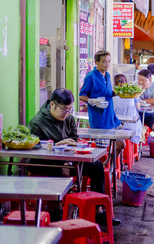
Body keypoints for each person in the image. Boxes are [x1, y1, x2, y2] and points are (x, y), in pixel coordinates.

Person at [27, 88, 120, 225]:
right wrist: (57, 145)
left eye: (69, 109)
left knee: (97, 166)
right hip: (42, 163)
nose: (66, 113)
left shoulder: (69, 119)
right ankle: (57, 209)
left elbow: (74, 139)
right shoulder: (38, 122)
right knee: (56, 167)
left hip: (67, 160)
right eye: (64, 109)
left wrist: (71, 148)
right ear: (52, 104)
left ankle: (98, 211)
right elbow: (32, 147)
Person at [79, 50, 125, 155]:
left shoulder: (107, 75)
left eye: (109, 61)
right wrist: (92, 100)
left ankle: (111, 167)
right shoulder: (91, 77)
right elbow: (81, 95)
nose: (107, 64)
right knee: (101, 150)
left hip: (111, 116)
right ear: (96, 62)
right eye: (104, 61)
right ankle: (102, 168)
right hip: (99, 119)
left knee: (121, 144)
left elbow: (107, 93)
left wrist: (118, 93)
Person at [112, 74, 142, 144]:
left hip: (117, 127)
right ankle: (135, 149)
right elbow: (138, 107)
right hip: (132, 128)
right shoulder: (133, 94)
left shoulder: (112, 96)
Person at [136, 69, 154, 137]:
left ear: (150, 80)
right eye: (139, 80)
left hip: (152, 113)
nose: (140, 82)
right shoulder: (135, 85)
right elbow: (130, 99)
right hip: (137, 112)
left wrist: (141, 101)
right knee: (135, 128)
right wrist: (136, 92)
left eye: (143, 80)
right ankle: (137, 146)